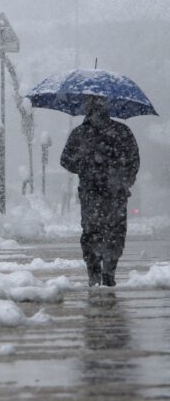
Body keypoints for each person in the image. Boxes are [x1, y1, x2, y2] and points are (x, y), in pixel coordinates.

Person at [60, 95, 140, 287]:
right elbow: (134, 161)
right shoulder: (122, 131)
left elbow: (65, 160)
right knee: (115, 232)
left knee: (91, 232)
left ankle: (94, 272)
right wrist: (123, 180)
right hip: (115, 193)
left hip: (91, 194)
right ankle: (109, 271)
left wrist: (85, 167)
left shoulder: (79, 133)